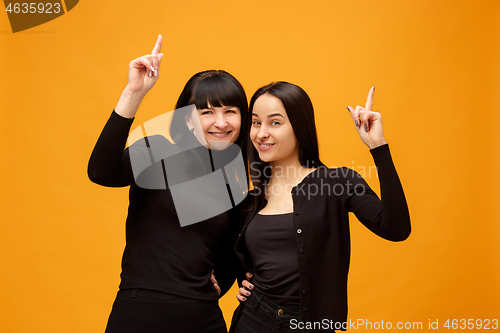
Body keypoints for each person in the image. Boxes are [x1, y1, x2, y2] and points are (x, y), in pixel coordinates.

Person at [88, 34, 249, 333]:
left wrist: (232, 282)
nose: (221, 122)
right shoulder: (156, 149)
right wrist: (133, 93)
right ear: (188, 119)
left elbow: (231, 254)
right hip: (140, 313)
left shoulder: (234, 183)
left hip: (204, 319)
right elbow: (101, 172)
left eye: (230, 112)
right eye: (207, 112)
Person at [229, 82, 411, 333]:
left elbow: (396, 229)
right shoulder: (250, 200)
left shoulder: (336, 183)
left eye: (275, 122)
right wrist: (220, 279)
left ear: (299, 127)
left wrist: (378, 147)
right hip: (253, 320)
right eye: (256, 122)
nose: (261, 133)